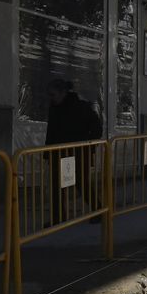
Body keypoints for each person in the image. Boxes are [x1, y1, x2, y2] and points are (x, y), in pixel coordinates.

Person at [45, 78, 103, 225]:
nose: (51, 98)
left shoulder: (80, 107)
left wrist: (89, 144)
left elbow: (96, 126)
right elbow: (51, 131)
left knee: (81, 183)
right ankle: (59, 218)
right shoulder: (55, 108)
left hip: (78, 151)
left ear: (63, 93)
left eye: (53, 95)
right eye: (50, 95)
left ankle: (98, 210)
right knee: (58, 185)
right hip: (59, 151)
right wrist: (47, 152)